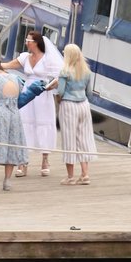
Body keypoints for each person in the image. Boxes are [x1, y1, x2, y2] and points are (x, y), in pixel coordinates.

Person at [0, 30, 62, 175]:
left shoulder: (48, 58)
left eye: (29, 40)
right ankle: (23, 162)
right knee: (25, 124)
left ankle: (45, 160)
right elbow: (7, 65)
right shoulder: (25, 57)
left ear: (36, 43)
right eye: (26, 40)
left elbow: (60, 77)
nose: (26, 42)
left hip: (42, 93)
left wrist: (50, 86)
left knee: (43, 123)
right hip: (27, 93)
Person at [46, 43, 96, 185]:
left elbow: (60, 91)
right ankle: (85, 174)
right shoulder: (86, 71)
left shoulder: (65, 72)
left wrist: (59, 100)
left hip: (69, 105)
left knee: (69, 139)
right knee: (84, 139)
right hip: (84, 105)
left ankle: (70, 176)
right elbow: (89, 93)